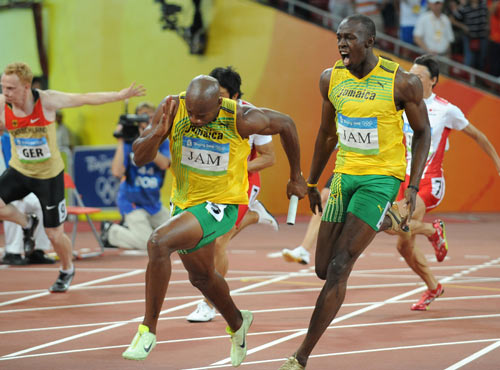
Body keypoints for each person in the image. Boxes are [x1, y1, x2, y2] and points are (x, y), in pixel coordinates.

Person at [278, 15, 431, 369]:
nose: (342, 44)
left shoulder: (401, 83)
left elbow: (423, 133)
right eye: (338, 38)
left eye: (349, 38)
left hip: (381, 179)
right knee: (320, 267)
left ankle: (301, 356)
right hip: (344, 177)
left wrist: (413, 185)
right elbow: (326, 133)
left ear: (370, 41)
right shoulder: (331, 79)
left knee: (340, 266)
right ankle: (385, 220)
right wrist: (312, 182)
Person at [121, 75, 307, 366]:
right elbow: (139, 158)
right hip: (185, 203)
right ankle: (237, 322)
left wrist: (296, 176)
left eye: (202, 115)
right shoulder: (173, 107)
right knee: (202, 278)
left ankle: (147, 330)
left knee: (158, 242)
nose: (194, 120)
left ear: (219, 103)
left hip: (222, 204)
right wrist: (158, 133)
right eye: (191, 113)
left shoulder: (242, 117)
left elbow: (287, 124)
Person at [0, 62, 145, 292]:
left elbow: (84, 98)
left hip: (48, 176)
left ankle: (67, 269)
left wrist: (119, 95)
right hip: (20, 170)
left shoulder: (47, 101)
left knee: (54, 235)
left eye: (10, 89)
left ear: (26, 87)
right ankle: (27, 223)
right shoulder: (2, 104)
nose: (5, 93)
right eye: (3, 87)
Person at [392, 54, 500, 311]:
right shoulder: (402, 104)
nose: (412, 80)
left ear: (434, 81)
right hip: (402, 178)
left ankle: (433, 231)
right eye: (410, 75)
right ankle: (433, 286)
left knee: (400, 225)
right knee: (402, 245)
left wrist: (497, 161)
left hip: (429, 180)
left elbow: (477, 135)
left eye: (418, 77)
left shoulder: (446, 109)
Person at [186, 66, 279, 322]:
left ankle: (208, 304)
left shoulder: (249, 116)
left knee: (217, 242)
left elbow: (269, 158)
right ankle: (253, 216)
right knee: (197, 241)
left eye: (222, 95)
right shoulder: (200, 111)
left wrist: (234, 168)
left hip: (241, 184)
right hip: (208, 185)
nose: (215, 100)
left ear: (236, 96)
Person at [100, 102, 171, 250]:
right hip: (131, 202)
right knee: (147, 244)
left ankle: (131, 228)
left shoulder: (162, 141)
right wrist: (121, 140)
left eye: (151, 117)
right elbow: (116, 172)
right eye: (143, 118)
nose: (147, 121)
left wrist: (147, 142)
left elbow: (164, 164)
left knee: (178, 237)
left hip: (153, 203)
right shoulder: (129, 142)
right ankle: (111, 232)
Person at [1, 130, 54, 265]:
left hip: (16, 185)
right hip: (4, 192)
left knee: (43, 202)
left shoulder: (11, 139)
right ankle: (13, 251)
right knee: (13, 202)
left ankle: (38, 250)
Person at [281, 175, 333, 266]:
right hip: (346, 165)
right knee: (324, 199)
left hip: (365, 169)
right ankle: (303, 250)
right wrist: (311, 181)